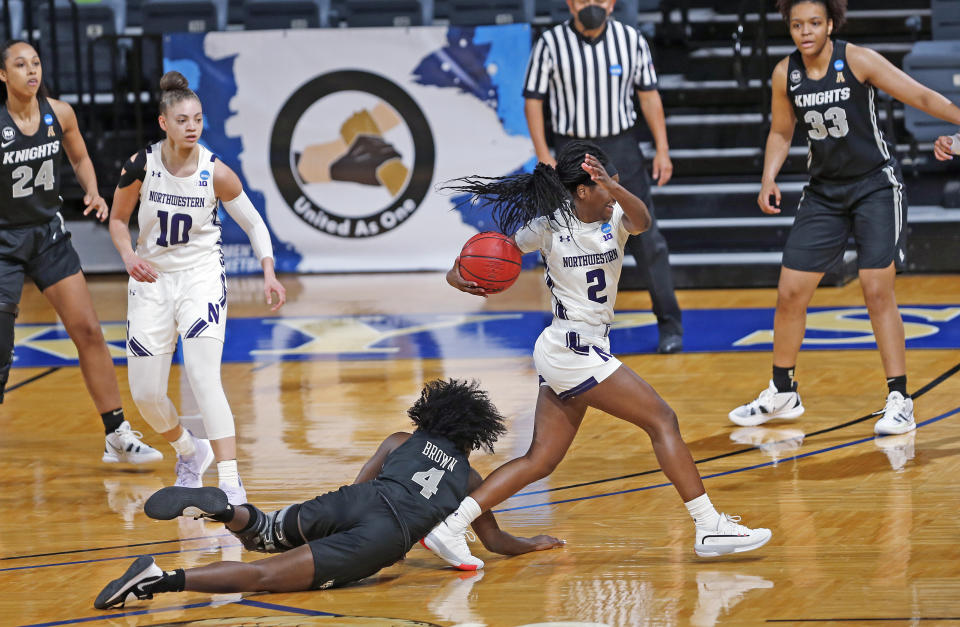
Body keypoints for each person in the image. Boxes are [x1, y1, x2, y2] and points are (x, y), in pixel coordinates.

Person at [422, 140, 771, 571]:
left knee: (541, 460)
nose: (614, 190)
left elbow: (644, 221)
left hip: (578, 351)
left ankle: (451, 526)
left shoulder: (618, 216)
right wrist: (460, 275)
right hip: (571, 349)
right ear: (582, 190)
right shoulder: (549, 226)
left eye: (616, 182)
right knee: (662, 420)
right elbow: (494, 256)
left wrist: (616, 189)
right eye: (605, 183)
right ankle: (708, 525)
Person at [94, 379, 564, 609]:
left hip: (356, 501)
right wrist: (534, 543)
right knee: (259, 576)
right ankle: (159, 579)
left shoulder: (402, 440)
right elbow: (495, 542)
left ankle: (232, 512)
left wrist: (337, 520)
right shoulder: (469, 479)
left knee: (262, 534)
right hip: (381, 535)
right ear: (472, 435)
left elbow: (362, 483)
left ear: (431, 415)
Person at [727, 0, 960, 436]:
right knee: (790, 291)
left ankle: (899, 398)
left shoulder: (857, 59)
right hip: (824, 192)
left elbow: (920, 95)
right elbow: (781, 130)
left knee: (876, 288)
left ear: (831, 23)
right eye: (797, 25)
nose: (806, 32)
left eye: (814, 23)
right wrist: (768, 177)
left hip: (875, 185)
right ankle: (783, 391)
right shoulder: (786, 73)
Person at [108, 71, 286, 505]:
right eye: (183, 119)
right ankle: (190, 451)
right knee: (146, 395)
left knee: (204, 376)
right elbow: (117, 220)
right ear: (164, 123)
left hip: (200, 277)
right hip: (151, 279)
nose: (192, 126)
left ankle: (229, 480)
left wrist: (268, 270)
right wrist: (130, 256)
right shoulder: (140, 165)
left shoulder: (215, 172)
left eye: (198, 119)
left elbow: (254, 222)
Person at [0, 39, 162, 464]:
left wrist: (92, 190)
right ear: (3, 75)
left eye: (35, 62)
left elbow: (80, 156)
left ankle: (117, 436)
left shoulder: (60, 113)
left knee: (89, 331)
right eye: (20, 65)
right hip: (3, 243)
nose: (31, 70)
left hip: (47, 236)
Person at [523, 0, 683, 354]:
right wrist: (543, 152)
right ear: (569, 3)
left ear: (611, 3)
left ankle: (670, 325)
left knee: (647, 239)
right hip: (570, 150)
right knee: (563, 236)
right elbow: (533, 100)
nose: (590, 5)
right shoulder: (550, 43)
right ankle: (569, 327)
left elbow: (649, 95)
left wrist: (662, 148)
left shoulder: (631, 39)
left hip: (620, 149)